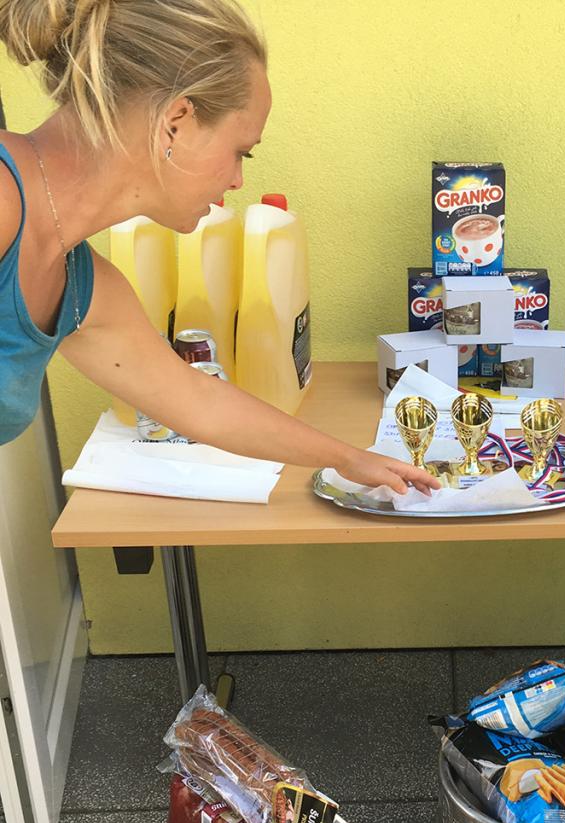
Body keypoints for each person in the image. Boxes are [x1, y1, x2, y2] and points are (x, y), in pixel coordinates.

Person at [0, 0, 438, 498]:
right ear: (176, 121)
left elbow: (198, 403)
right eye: (239, 151)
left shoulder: (82, 287)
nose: (237, 180)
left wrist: (349, 459)